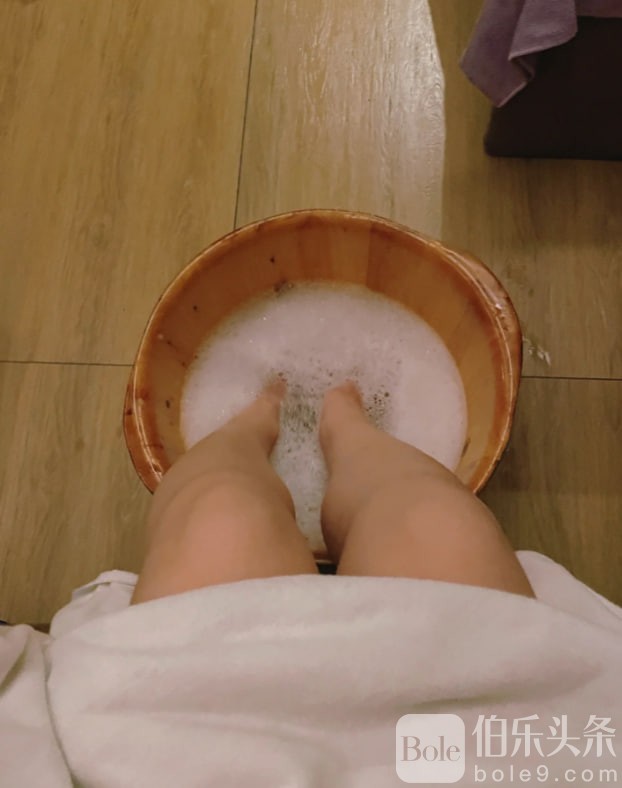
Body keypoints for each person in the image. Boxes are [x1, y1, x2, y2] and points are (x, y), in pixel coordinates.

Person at [1, 382, 621, 788]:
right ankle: (342, 419)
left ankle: (262, 414)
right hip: (509, 734)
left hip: (165, 736)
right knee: (434, 521)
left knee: (222, 513)